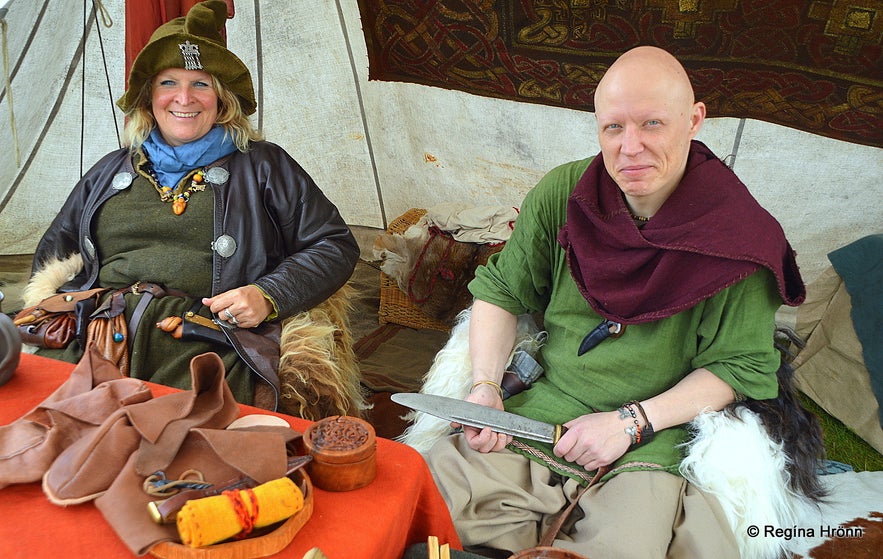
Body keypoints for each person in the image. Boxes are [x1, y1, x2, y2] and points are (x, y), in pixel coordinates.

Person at [423, 46, 807, 558]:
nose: (631, 148)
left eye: (652, 124)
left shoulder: (742, 238)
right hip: (544, 407)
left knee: (629, 549)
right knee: (422, 505)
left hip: (654, 434)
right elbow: (499, 291)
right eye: (613, 128)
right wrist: (487, 388)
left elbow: (739, 367)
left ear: (694, 121)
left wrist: (630, 422)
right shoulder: (564, 194)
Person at [26, 0, 359, 411]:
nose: (184, 98)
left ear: (222, 98)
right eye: (168, 83)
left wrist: (267, 294)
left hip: (208, 345)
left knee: (192, 454)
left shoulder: (263, 164)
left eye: (201, 83)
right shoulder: (110, 168)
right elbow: (54, 253)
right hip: (100, 336)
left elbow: (335, 244)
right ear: (148, 97)